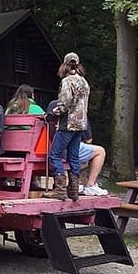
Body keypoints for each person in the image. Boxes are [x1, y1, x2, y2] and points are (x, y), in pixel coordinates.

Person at [44, 52, 90, 201]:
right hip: (81, 124)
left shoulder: (66, 81)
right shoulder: (84, 82)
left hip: (67, 123)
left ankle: (60, 189)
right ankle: (74, 189)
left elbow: (64, 104)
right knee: (73, 157)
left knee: (54, 154)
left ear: (64, 64)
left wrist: (53, 114)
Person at [77, 126, 109, 196]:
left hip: (51, 147)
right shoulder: (80, 117)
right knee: (100, 151)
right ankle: (90, 185)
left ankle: (77, 184)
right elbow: (88, 140)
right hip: (67, 149)